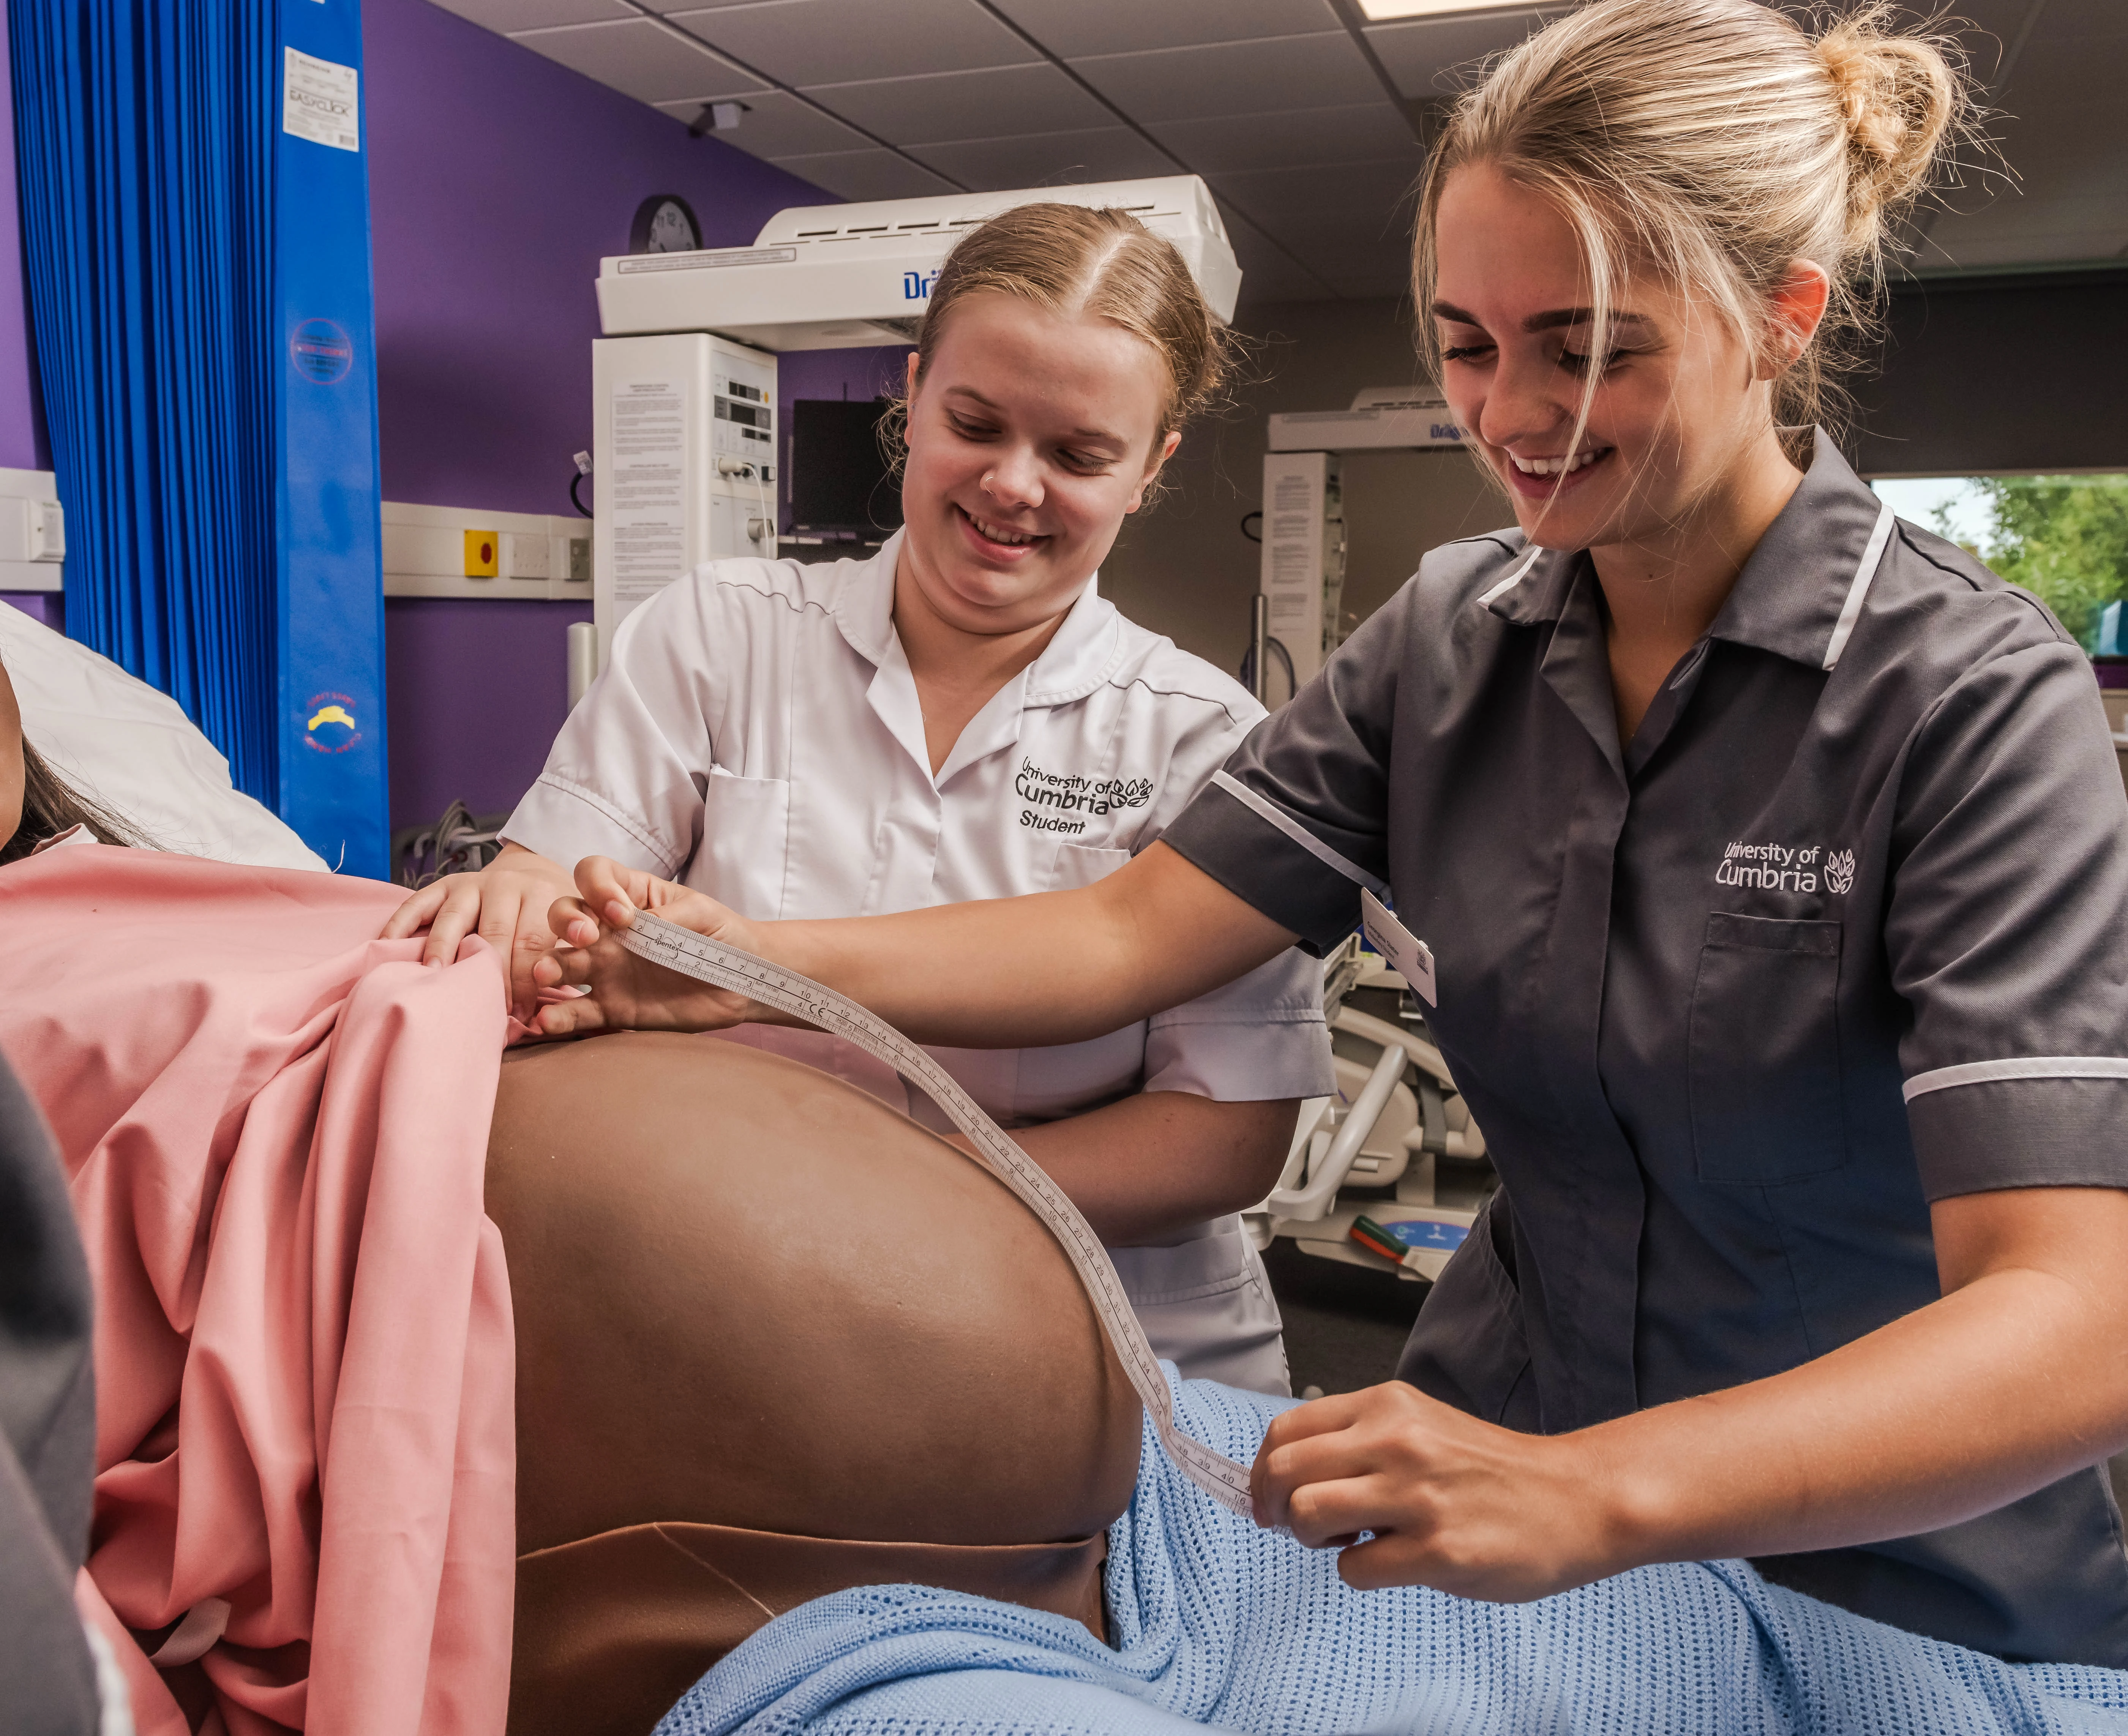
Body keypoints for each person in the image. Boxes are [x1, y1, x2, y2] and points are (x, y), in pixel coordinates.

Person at [527, 0, 2128, 1669]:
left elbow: (2080, 1318)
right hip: (1485, 1507)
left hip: (1884, 1576)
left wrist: (1605, 1491)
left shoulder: (1964, 696)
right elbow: (1126, 934)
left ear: (1782, 320)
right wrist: (741, 971)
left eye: (1592, 350)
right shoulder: (1454, 639)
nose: (1514, 417)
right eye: (1467, 341)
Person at [384, 204, 1332, 1395]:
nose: (1012, 485)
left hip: (1105, 1326)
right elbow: (559, 899)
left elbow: (1224, 1137)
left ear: (1152, 468)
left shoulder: (1198, 735)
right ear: (913, 391)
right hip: (741, 1289)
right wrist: (519, 896)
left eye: (1081, 455)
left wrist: (870, 1188)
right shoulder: (721, 634)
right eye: (973, 423)